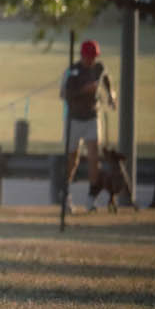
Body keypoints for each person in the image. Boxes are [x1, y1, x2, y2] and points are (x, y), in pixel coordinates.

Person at [62, 38, 116, 213]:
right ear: (82, 56)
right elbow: (65, 94)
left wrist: (111, 97)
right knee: (72, 159)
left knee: (94, 157)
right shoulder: (73, 71)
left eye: (94, 56)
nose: (91, 60)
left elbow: (107, 80)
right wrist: (83, 90)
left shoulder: (98, 69)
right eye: (89, 56)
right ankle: (66, 195)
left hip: (92, 117)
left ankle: (91, 199)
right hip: (74, 119)